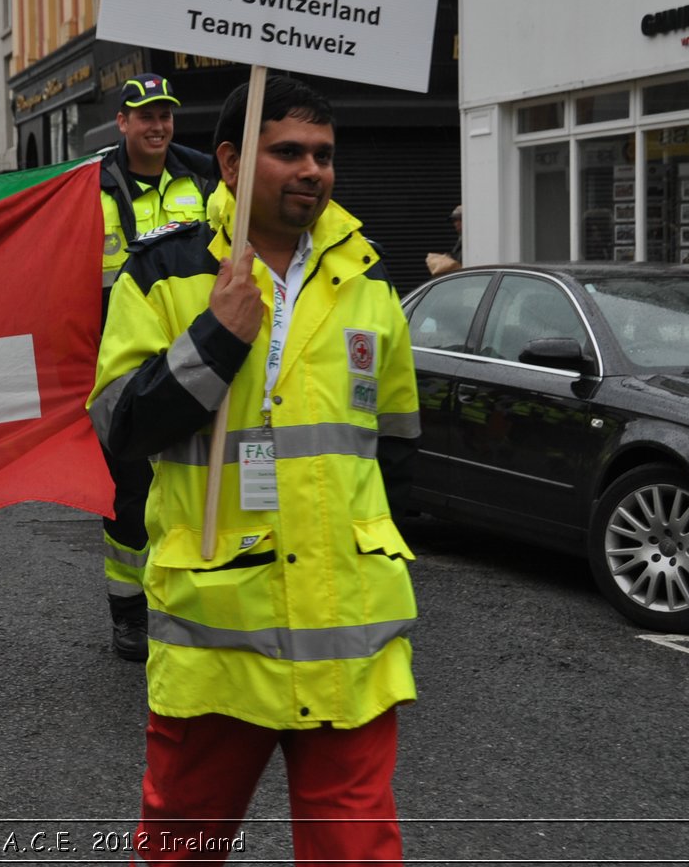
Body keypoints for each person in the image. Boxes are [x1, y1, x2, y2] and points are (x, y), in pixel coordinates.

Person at [89, 75, 421, 864]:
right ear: (233, 163)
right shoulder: (161, 276)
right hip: (218, 641)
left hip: (350, 644)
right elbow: (121, 429)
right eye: (288, 152)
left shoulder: (372, 288)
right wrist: (216, 339)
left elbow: (397, 456)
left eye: (324, 155)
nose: (312, 170)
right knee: (181, 852)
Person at [96, 73, 217, 662]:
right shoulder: (90, 189)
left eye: (165, 114)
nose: (157, 125)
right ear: (122, 122)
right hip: (122, 363)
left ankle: (184, 605)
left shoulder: (202, 177)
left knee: (192, 486)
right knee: (130, 496)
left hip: (194, 360)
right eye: (145, 115)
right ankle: (129, 615)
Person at [425, 204, 463, 275]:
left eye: (457, 219)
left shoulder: (468, 240)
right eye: (453, 221)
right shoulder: (461, 238)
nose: (455, 224)